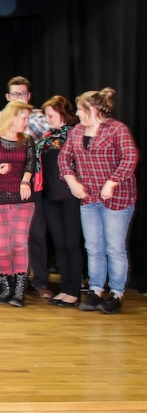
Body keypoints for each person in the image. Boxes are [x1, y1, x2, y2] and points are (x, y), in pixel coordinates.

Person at [59, 88, 138, 314]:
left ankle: (116, 293)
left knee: (114, 248)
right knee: (93, 247)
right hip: (89, 198)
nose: (77, 113)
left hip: (117, 199)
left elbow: (130, 158)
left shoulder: (116, 129)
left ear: (92, 109)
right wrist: (72, 182)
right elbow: (64, 157)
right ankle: (95, 290)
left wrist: (111, 182)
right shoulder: (76, 131)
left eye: (80, 109)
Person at [0, 76, 50, 298]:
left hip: (31, 184)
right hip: (3, 186)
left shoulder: (39, 119)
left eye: (22, 93)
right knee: (5, 240)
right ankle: (11, 282)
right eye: (15, 94)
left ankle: (40, 282)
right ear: (7, 96)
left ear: (29, 96)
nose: (19, 97)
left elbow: (43, 145)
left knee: (36, 234)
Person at [0, 100, 36, 307]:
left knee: (19, 243)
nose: (26, 122)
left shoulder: (27, 140)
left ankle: (19, 290)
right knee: (1, 247)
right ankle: (6, 287)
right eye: (24, 118)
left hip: (22, 199)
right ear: (12, 117)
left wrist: (25, 181)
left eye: (27, 118)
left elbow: (30, 163)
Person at [36, 96, 82, 307]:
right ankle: (64, 288)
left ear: (62, 114)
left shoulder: (75, 134)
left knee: (72, 244)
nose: (47, 119)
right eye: (46, 116)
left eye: (51, 115)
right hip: (50, 196)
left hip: (70, 195)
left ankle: (74, 290)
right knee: (59, 244)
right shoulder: (46, 137)